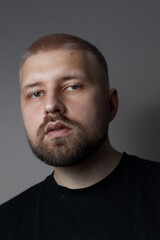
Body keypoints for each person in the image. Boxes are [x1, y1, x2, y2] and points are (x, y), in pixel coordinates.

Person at [1, 34, 160, 240]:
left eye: (72, 86)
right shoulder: (6, 224)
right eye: (36, 93)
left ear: (110, 104)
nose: (51, 106)